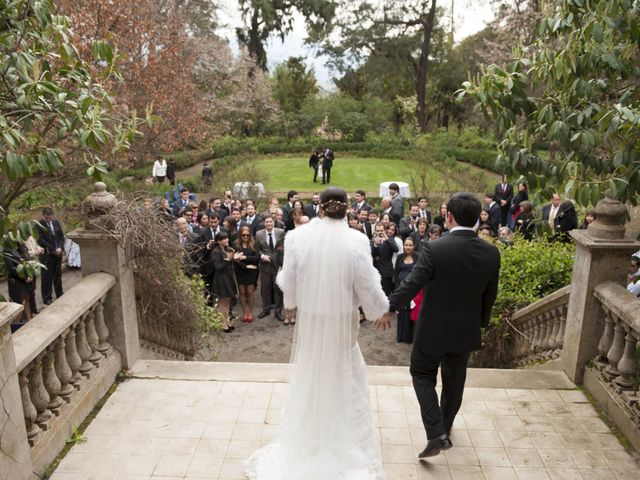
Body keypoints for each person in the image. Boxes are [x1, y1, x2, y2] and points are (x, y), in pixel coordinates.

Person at [245, 187, 388, 480]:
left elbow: (289, 280)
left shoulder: (298, 237)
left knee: (313, 372)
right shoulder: (357, 241)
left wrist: (292, 304)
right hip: (343, 320)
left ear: (319, 210)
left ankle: (310, 435)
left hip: (311, 318)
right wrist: (379, 310)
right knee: (345, 372)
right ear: (347, 210)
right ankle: (342, 437)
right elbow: (367, 284)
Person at [377, 192, 500, 459]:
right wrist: (479, 324)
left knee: (422, 375)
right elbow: (490, 296)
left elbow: (412, 283)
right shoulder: (492, 252)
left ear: (449, 216)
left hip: (432, 329)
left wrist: (388, 307)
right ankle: (445, 426)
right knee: (455, 382)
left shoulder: (435, 248)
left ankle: (436, 433)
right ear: (477, 218)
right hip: (465, 330)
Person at [211, 231, 244, 332]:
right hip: (221, 278)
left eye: (227, 238)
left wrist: (235, 258)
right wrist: (228, 260)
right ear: (218, 241)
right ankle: (222, 324)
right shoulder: (216, 251)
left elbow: (229, 263)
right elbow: (218, 268)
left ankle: (227, 321)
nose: (227, 240)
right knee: (222, 302)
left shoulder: (226, 249)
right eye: (224, 239)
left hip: (228, 277)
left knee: (228, 301)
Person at [255, 217, 285, 321]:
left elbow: (285, 245)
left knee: (278, 289)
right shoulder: (259, 234)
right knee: (265, 288)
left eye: (270, 221)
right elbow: (256, 249)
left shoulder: (281, 232)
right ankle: (266, 309)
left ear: (274, 222)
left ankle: (278, 312)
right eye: (266, 222)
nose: (269, 223)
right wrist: (262, 256)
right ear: (264, 223)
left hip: (277, 265)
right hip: (265, 265)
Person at [36, 207, 65, 305]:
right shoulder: (38, 225)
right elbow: (40, 240)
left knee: (58, 275)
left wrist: (61, 248)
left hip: (58, 253)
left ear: (53, 216)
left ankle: (59, 293)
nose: (48, 219)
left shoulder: (56, 223)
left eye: (50, 217)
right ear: (43, 215)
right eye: (46, 217)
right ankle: (47, 298)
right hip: (47, 255)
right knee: (46, 277)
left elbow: (61, 236)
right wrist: (53, 250)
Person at [4, 243, 38, 321]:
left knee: (28, 299)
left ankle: (29, 319)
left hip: (28, 279)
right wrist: (24, 277)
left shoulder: (22, 245)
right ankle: (22, 322)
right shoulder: (7, 249)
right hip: (17, 280)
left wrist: (30, 274)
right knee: (20, 302)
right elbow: (11, 268)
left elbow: (29, 260)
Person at [234, 226, 260, 322]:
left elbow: (257, 258)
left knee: (250, 292)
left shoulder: (254, 244)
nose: (245, 237)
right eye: (243, 235)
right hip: (240, 271)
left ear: (250, 235)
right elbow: (235, 260)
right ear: (240, 235)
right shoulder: (236, 245)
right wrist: (245, 266)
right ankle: (244, 312)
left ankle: (250, 312)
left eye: (247, 235)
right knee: (242, 292)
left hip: (252, 272)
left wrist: (244, 257)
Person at [394, 237, 417, 344]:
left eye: (410, 245)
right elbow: (396, 273)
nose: (408, 247)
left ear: (414, 246)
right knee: (401, 312)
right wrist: (398, 288)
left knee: (410, 313)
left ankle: (409, 337)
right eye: (406, 245)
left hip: (413, 290)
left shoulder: (418, 257)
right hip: (401, 289)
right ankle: (400, 336)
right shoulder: (399, 257)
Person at [371, 222, 398, 296]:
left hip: (387, 273)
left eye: (381, 231)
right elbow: (372, 255)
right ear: (375, 231)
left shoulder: (390, 239)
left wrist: (387, 239)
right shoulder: (372, 241)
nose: (379, 233)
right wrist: (375, 245)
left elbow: (396, 249)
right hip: (375, 273)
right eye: (377, 231)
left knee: (386, 296)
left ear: (385, 230)